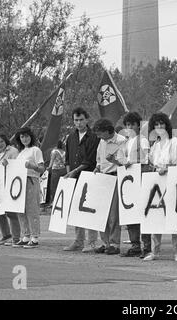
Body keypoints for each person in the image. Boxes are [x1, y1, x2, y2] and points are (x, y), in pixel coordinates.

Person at [144, 112, 177, 262]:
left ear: (167, 125)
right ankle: (154, 251)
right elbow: (152, 164)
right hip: (157, 183)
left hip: (172, 181)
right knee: (156, 216)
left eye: (162, 124)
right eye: (156, 125)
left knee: (173, 217)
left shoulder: (176, 142)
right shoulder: (154, 146)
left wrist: (167, 168)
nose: (159, 127)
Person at [62, 107, 100, 253]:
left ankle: (91, 242)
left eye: (81, 120)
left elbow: (90, 160)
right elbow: (67, 159)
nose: (78, 123)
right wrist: (68, 175)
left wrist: (74, 172)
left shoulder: (94, 137)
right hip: (73, 178)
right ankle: (78, 240)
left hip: (89, 176)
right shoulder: (70, 137)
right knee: (75, 211)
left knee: (89, 209)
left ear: (87, 119)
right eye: (76, 120)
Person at [119, 111, 152, 258]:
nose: (129, 127)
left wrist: (133, 162)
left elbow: (147, 159)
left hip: (140, 176)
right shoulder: (126, 142)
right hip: (129, 179)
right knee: (131, 212)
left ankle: (146, 245)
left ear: (138, 126)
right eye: (127, 125)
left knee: (142, 213)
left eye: (132, 124)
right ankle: (135, 244)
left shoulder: (142, 140)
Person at [93, 118, 126, 255]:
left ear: (107, 131)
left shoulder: (122, 141)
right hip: (102, 177)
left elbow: (124, 162)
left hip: (115, 176)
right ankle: (105, 242)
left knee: (113, 214)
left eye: (100, 133)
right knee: (102, 213)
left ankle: (114, 243)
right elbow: (99, 159)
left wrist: (114, 161)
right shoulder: (102, 141)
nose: (98, 136)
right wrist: (97, 167)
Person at [8, 127, 45, 249]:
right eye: (22, 137)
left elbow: (41, 168)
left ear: (31, 136)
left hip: (31, 180)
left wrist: (32, 166)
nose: (24, 139)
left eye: (27, 136)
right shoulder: (20, 153)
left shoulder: (36, 150)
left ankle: (34, 237)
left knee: (31, 209)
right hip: (19, 182)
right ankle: (26, 235)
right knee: (20, 209)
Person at [0, 134, 21, 246]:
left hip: (9, 185)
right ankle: (6, 235)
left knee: (11, 212)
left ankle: (16, 237)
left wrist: (8, 164)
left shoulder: (12, 151)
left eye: (1, 141)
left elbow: (17, 165)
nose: (0, 144)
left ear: (6, 141)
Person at [46, 140, 67, 204]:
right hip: (64, 170)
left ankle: (54, 201)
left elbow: (51, 161)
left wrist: (48, 167)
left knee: (54, 186)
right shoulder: (64, 152)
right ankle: (61, 201)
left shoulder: (54, 152)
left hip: (55, 170)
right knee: (61, 186)